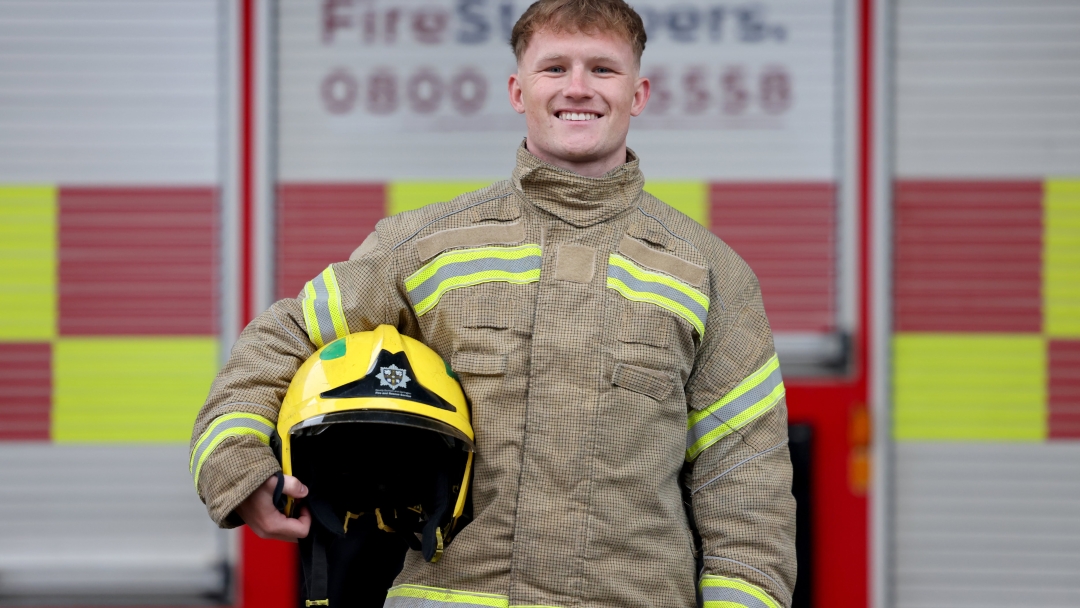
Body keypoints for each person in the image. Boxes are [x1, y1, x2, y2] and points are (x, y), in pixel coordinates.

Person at [189, 0, 796, 606]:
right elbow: (283, 338)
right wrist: (238, 465)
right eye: (554, 68)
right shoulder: (427, 247)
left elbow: (746, 486)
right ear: (517, 90)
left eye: (603, 70)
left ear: (638, 94)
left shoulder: (709, 273)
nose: (578, 88)